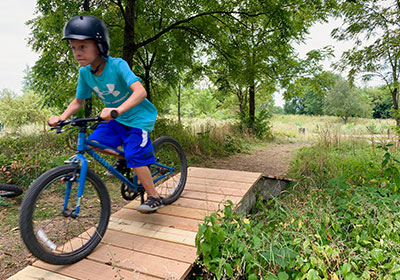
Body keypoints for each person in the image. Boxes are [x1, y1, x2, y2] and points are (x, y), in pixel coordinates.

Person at [48, 15, 162, 213]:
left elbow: (140, 92)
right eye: (73, 48)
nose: (77, 53)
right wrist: (62, 118)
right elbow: (78, 101)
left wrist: (116, 110)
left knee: (136, 156)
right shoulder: (85, 73)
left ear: (100, 45)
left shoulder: (117, 65)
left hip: (138, 119)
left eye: (83, 47)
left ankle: (154, 196)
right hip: (116, 119)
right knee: (93, 143)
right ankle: (126, 158)